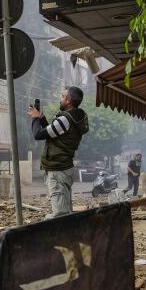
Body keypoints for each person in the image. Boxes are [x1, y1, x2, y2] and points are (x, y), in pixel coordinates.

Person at [28, 87, 89, 218]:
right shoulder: (73, 118)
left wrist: (34, 119)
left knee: (60, 215)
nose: (60, 99)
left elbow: (38, 134)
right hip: (64, 168)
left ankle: (65, 237)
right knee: (66, 212)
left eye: (62, 96)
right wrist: (41, 118)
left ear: (68, 100)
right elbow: (53, 132)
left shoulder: (65, 119)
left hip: (57, 170)